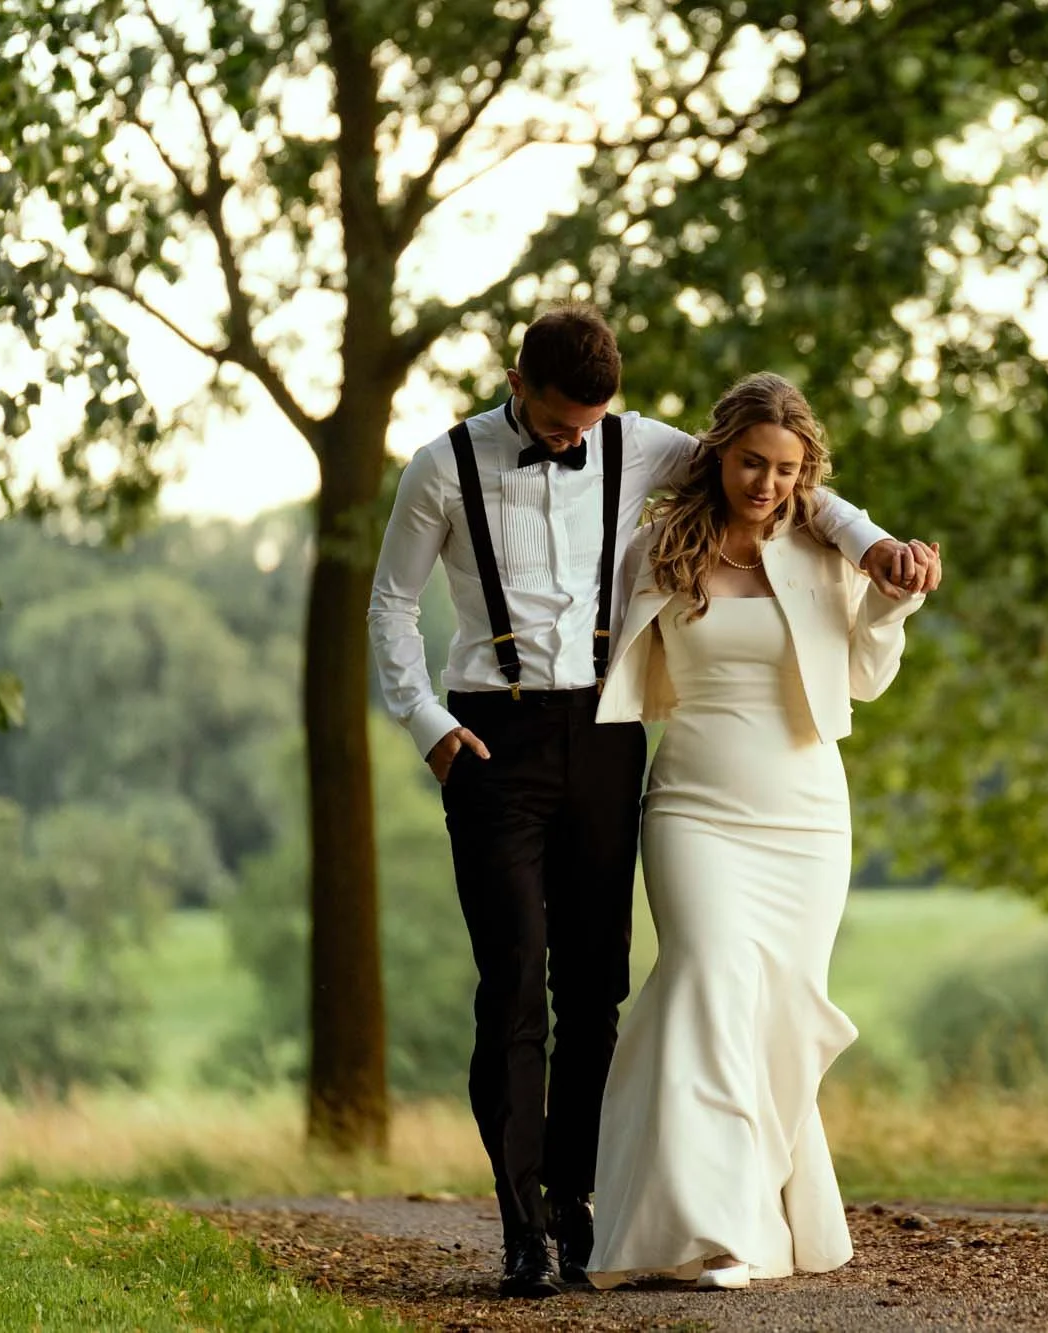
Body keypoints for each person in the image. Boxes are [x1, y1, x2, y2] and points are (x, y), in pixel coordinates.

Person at [366, 305, 940, 1299]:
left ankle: (577, 1201)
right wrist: (425, 725)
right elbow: (389, 604)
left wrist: (879, 544)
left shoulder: (641, 447)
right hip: (490, 737)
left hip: (605, 737)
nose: (574, 440)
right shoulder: (439, 466)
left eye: (590, 423)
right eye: (557, 424)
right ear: (518, 381)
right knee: (512, 984)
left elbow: (791, 477)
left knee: (596, 993)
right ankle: (519, 1229)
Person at [585, 371, 937, 1291]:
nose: (767, 484)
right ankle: (717, 1226)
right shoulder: (658, 548)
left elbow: (864, 675)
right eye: (751, 462)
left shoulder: (823, 551)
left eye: (786, 470)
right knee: (707, 979)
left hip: (806, 815)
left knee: (779, 1012)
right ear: (719, 454)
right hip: (694, 807)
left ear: (803, 473)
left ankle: (758, 1211)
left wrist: (891, 596)